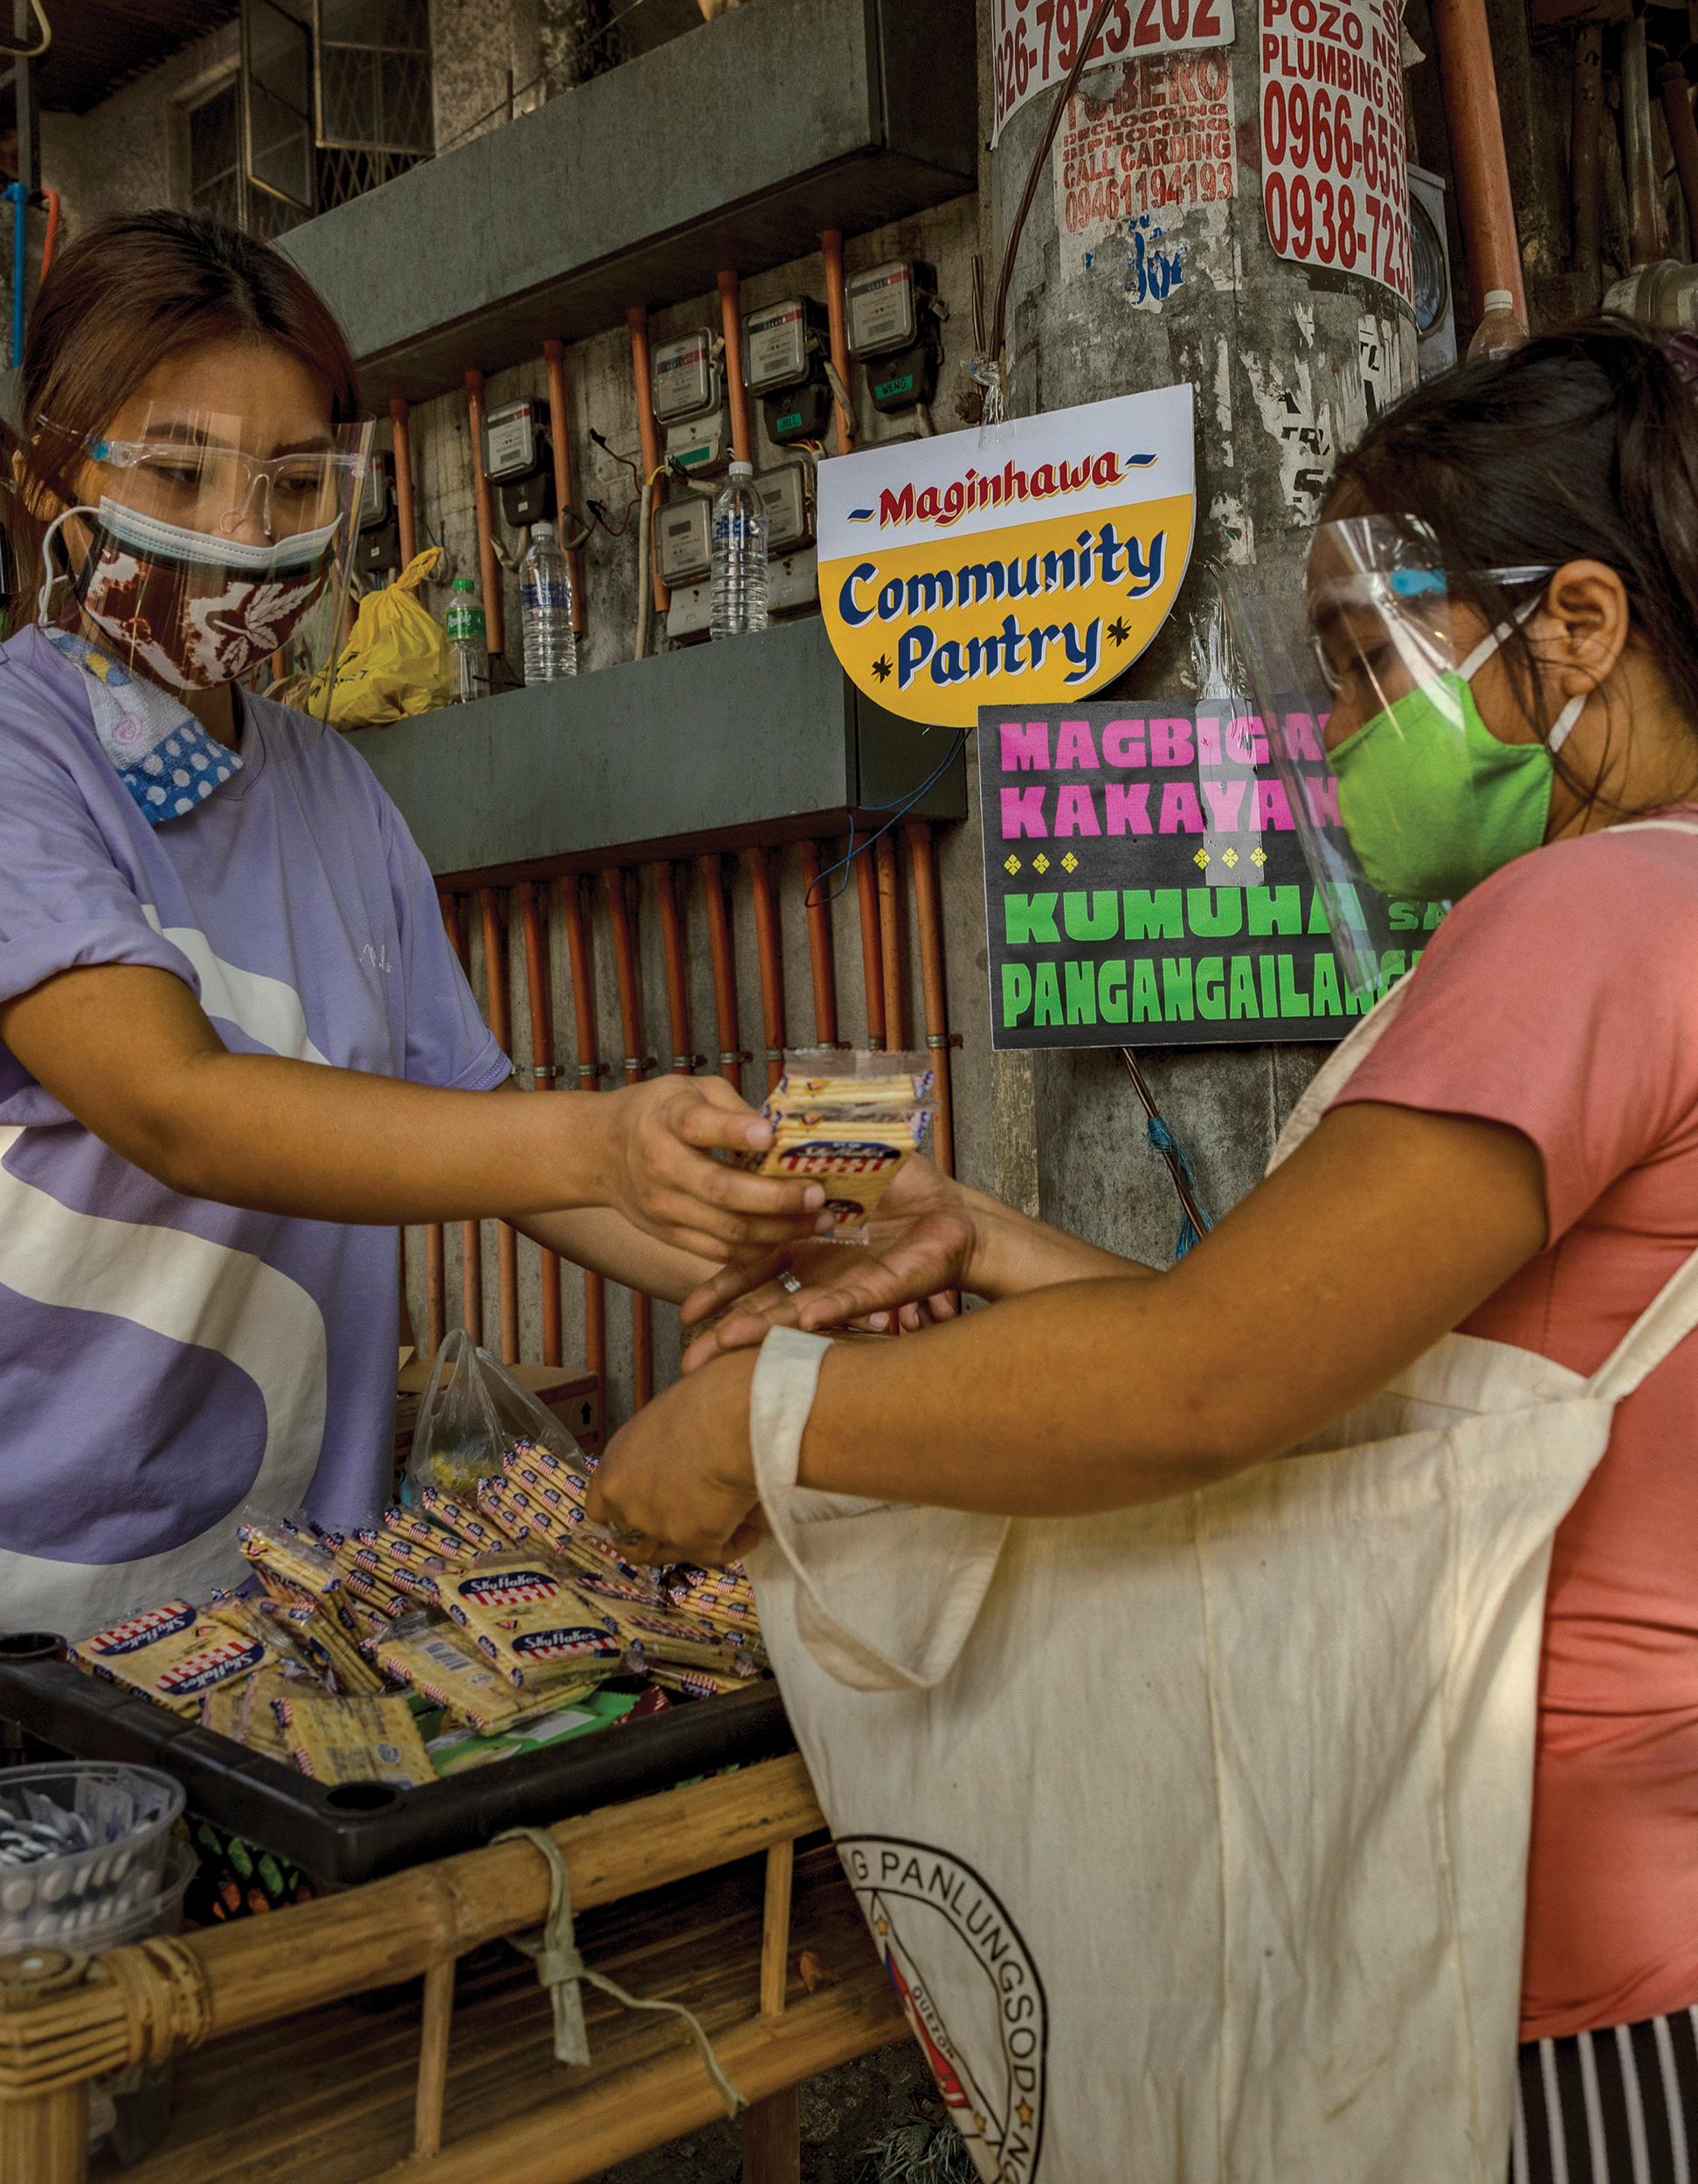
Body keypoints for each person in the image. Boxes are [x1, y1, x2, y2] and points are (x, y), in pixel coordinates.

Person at [589, 318, 1698, 2174]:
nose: (1338, 737)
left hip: (1543, 1937)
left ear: (1576, 628)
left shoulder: (1587, 915)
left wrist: (762, 1422)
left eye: (1367, 666)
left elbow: (1209, 1385)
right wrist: (996, 1243)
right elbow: (1383, 1384)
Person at [0, 211, 831, 1635]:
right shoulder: (23, 754)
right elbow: (174, 1104)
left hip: (283, 1596)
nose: (242, 539)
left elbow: (500, 1145)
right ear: (44, 478)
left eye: (290, 483)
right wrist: (604, 1136)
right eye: (180, 475)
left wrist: (793, 1250)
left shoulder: (332, 788)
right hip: (35, 1600)